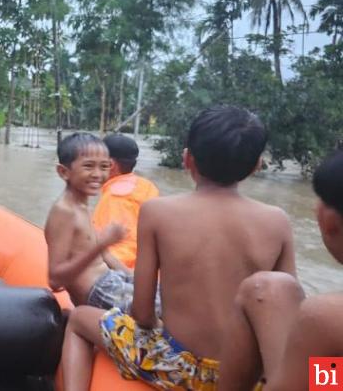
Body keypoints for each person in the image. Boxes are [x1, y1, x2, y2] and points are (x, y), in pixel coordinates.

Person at [60, 107, 296, 391]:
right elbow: (287, 309)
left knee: (77, 319)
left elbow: (143, 312)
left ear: (187, 158)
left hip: (179, 367)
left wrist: (158, 324)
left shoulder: (158, 212)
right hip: (244, 378)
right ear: (257, 165)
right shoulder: (278, 221)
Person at [217, 149, 343, 391]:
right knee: (269, 288)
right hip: (333, 379)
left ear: (329, 221)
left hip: (328, 375)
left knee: (265, 289)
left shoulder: (328, 318)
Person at [45, 133, 158, 314]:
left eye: (104, 166)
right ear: (63, 172)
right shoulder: (64, 212)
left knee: (172, 293)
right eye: (89, 166)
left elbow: (106, 256)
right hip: (98, 292)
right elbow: (55, 278)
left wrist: (136, 279)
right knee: (171, 310)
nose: (98, 174)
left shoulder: (84, 208)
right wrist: (103, 243)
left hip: (111, 279)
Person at [92, 134, 159, 268]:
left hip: (128, 276)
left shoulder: (115, 197)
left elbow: (122, 253)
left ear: (110, 165)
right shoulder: (146, 185)